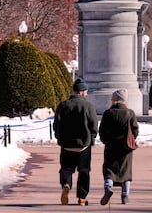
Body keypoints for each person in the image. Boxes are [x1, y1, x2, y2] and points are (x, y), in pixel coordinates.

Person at [53, 77, 98, 206]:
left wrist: (59, 137)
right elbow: (94, 125)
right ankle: (82, 197)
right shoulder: (88, 106)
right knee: (84, 171)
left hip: (66, 144)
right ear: (82, 91)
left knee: (66, 169)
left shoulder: (62, 105)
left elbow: (56, 124)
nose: (87, 94)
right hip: (84, 145)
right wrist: (92, 138)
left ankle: (66, 184)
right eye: (86, 91)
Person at [99, 88, 139, 205]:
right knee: (126, 171)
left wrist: (105, 140)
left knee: (109, 169)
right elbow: (135, 130)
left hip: (111, 145)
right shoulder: (130, 113)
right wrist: (132, 139)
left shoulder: (108, 113)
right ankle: (125, 195)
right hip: (125, 147)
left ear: (115, 99)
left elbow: (102, 130)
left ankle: (108, 188)